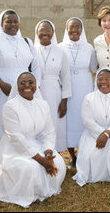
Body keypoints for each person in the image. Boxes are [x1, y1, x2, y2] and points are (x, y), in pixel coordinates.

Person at [0, 72, 66, 208]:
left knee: (59, 163)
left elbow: (48, 132)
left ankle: (41, 190)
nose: (27, 86)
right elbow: (16, 138)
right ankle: (24, 193)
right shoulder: (10, 107)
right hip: (13, 149)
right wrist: (40, 159)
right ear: (17, 86)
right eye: (23, 83)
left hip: (36, 144)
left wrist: (48, 154)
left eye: (31, 82)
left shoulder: (43, 104)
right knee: (30, 168)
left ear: (36, 85)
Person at [0, 9, 42, 146]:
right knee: (4, 122)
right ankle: (3, 160)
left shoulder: (27, 41)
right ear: (1, 24)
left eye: (15, 21)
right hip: (3, 90)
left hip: (27, 90)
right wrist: (2, 85)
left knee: (26, 123)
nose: (13, 24)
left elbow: (36, 66)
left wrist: (34, 86)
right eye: (8, 21)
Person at [72, 68, 110, 186]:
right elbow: (87, 121)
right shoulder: (89, 98)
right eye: (100, 79)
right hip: (93, 133)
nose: (103, 82)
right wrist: (103, 134)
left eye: (107, 79)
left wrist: (108, 134)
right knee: (93, 151)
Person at [59, 17, 98, 169]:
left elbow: (94, 68)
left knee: (84, 118)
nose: (74, 30)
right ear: (66, 29)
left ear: (82, 30)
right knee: (69, 119)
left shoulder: (89, 48)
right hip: (67, 86)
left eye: (77, 27)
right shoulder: (60, 47)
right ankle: (72, 157)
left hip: (84, 85)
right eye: (71, 27)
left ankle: (83, 155)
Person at [34, 20, 72, 153]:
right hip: (36, 93)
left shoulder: (60, 52)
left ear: (53, 33)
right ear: (36, 33)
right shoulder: (32, 51)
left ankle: (54, 153)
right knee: (38, 123)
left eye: (48, 30)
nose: (45, 34)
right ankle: (39, 152)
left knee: (54, 123)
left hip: (55, 93)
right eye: (41, 31)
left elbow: (66, 77)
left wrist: (64, 101)